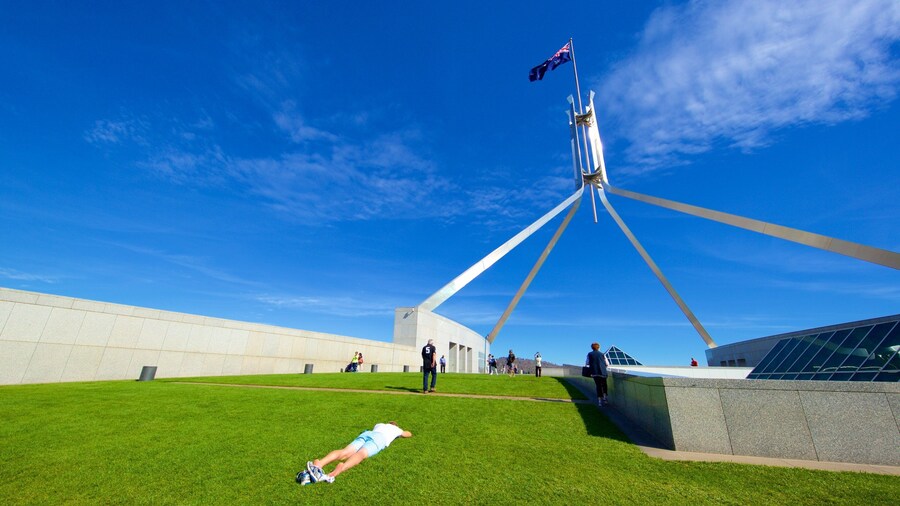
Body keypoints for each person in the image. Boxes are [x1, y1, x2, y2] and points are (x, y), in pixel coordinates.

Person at [297, 421, 412, 485]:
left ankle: (320, 463)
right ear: (395, 425)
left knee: (345, 452)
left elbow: (376, 427)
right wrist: (400, 431)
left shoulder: (379, 424)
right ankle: (341, 468)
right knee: (360, 454)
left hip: (368, 434)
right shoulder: (396, 430)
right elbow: (408, 434)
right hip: (380, 439)